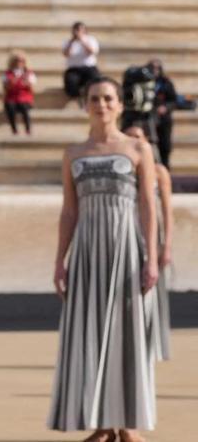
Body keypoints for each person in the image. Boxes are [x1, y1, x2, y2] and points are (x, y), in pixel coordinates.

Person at [48, 76, 159, 442]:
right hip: (87, 253)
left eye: (108, 98)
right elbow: (69, 210)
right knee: (90, 332)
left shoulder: (138, 149)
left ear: (120, 104)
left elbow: (147, 204)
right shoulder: (73, 153)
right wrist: (60, 260)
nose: (102, 105)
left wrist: (152, 257)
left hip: (126, 249)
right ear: (86, 105)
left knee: (126, 334)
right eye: (95, 98)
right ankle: (101, 422)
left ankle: (127, 423)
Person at [125, 125, 174, 363]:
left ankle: (153, 344)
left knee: (151, 290)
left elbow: (167, 212)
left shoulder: (159, 172)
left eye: (137, 137)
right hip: (127, 233)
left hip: (152, 234)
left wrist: (167, 246)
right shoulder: (122, 171)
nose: (133, 141)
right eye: (129, 137)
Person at [62, 21, 101, 102]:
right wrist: (72, 42)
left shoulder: (91, 39)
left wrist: (82, 41)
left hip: (89, 68)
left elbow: (92, 51)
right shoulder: (68, 42)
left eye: (80, 30)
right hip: (74, 69)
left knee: (96, 80)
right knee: (70, 82)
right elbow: (66, 54)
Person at [150, 59, 178, 169]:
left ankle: (165, 169)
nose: (154, 71)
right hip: (149, 118)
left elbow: (174, 101)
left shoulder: (166, 83)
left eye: (157, 68)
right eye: (152, 68)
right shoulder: (144, 82)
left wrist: (165, 107)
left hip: (163, 120)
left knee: (165, 146)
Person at [2, 50, 36, 135]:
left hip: (24, 97)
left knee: (24, 107)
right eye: (17, 60)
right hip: (12, 97)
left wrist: (27, 83)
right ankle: (14, 130)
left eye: (22, 61)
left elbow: (32, 89)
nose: (19, 63)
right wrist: (11, 83)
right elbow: (5, 89)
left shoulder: (29, 73)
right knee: (10, 106)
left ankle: (28, 129)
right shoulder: (7, 74)